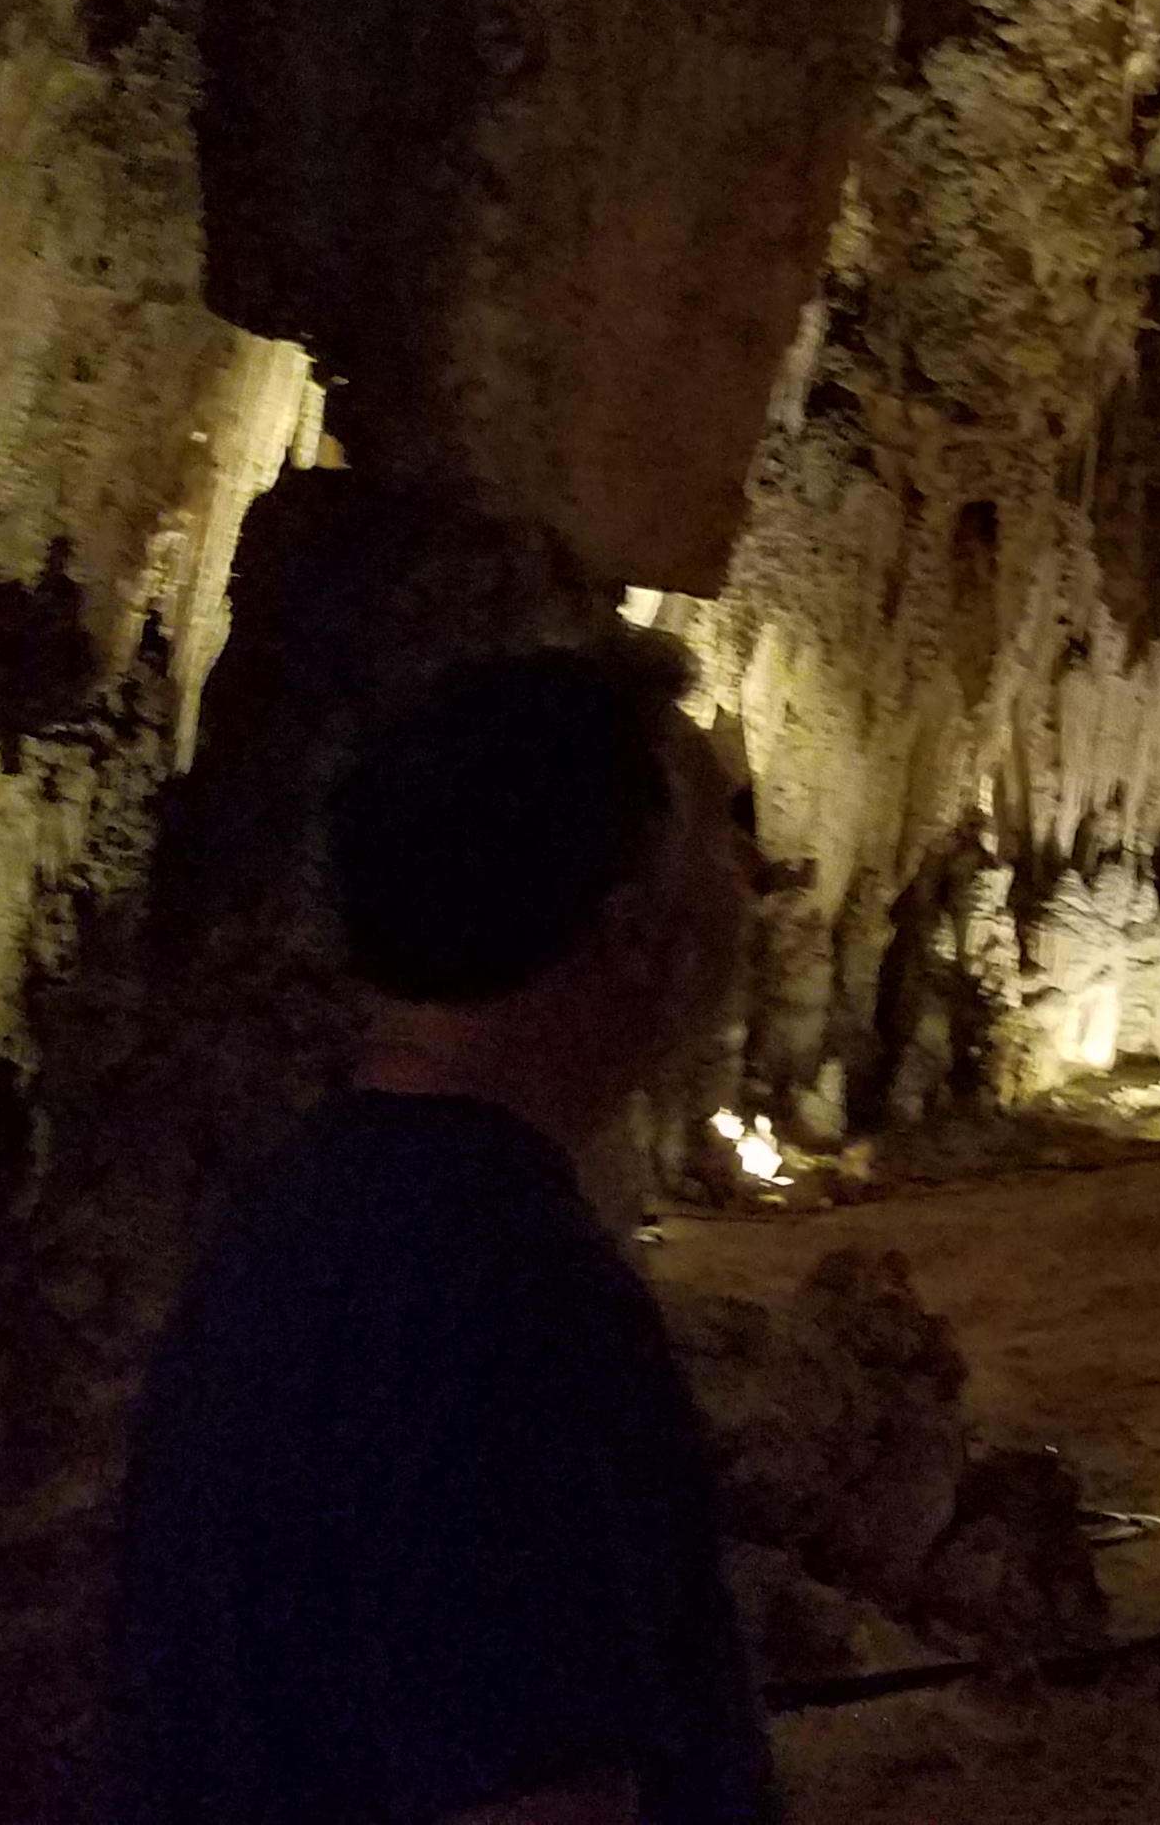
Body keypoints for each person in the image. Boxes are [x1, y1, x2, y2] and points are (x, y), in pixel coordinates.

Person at [121, 638, 768, 1825]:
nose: (755, 879)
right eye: (731, 836)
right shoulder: (511, 1303)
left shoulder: (300, 1214)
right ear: (635, 935)